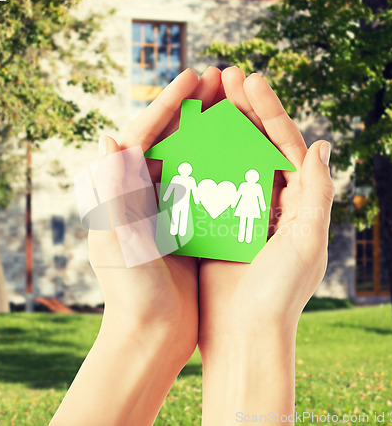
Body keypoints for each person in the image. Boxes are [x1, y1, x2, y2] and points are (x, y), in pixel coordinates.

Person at [49, 66, 334, 425]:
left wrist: (145, 324)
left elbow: (234, 195)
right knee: (189, 222)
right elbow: (172, 193)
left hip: (239, 217)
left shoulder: (236, 184)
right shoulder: (180, 184)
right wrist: (144, 320)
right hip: (188, 218)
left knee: (233, 225)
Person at [163, 162, 200, 237]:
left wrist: (196, 200)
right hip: (176, 201)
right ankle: (173, 230)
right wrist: (165, 197)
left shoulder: (191, 180)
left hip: (185, 201)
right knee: (175, 215)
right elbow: (170, 188)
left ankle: (182, 231)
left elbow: (194, 190)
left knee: (183, 215)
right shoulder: (176, 178)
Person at [232, 168, 266, 243]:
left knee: (250, 222)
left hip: (252, 206)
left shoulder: (258, 187)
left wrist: (263, 207)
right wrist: (234, 204)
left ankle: (248, 239)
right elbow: (238, 195)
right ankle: (240, 238)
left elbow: (260, 197)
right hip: (244, 205)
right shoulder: (243, 185)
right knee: (243, 222)